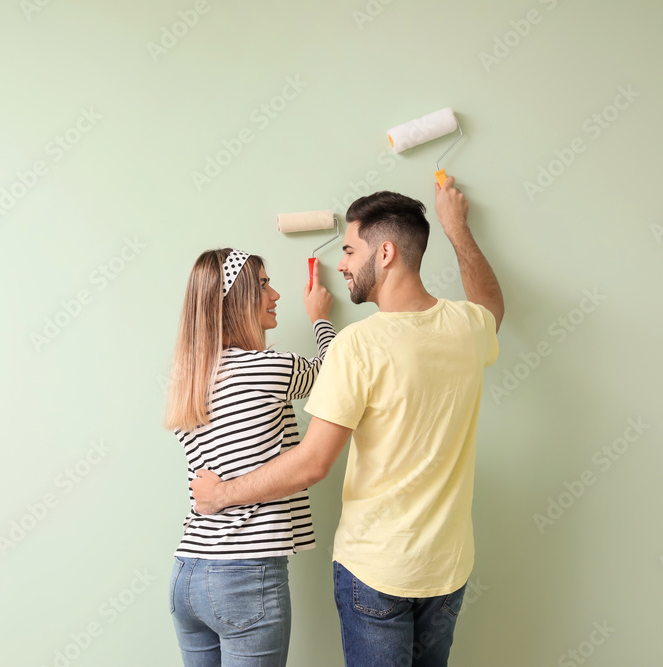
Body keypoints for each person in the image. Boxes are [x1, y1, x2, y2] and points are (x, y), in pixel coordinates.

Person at [190, 178, 504, 667]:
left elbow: (314, 463)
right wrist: (456, 228)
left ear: (384, 254)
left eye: (349, 250)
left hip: (374, 571)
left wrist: (223, 493)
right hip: (447, 570)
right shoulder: (467, 327)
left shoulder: (357, 345)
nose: (340, 263)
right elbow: (492, 306)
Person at [163, 247, 335, 666]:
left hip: (188, 572)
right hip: (243, 576)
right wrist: (321, 317)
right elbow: (336, 372)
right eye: (262, 285)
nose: (275, 295)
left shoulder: (188, 380)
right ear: (235, 301)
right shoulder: (267, 368)